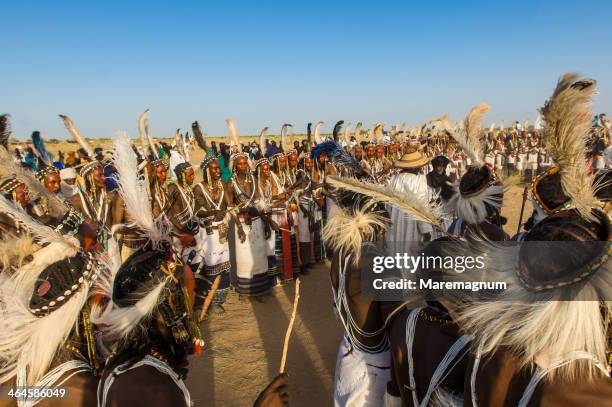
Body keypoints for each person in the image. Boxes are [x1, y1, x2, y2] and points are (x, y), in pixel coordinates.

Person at [193, 156, 233, 315]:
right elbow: (196, 212)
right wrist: (211, 213)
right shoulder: (199, 188)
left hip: (222, 231)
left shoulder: (223, 185)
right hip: (207, 234)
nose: (218, 171)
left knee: (224, 267)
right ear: (207, 171)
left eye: (218, 168)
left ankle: (217, 301)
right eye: (214, 169)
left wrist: (226, 213)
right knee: (209, 267)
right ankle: (203, 302)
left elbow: (229, 205)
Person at [386, 148, 433, 256]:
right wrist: (426, 231)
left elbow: (388, 206)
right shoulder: (419, 180)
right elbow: (422, 206)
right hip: (412, 224)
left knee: (396, 255)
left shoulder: (393, 179)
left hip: (395, 223)